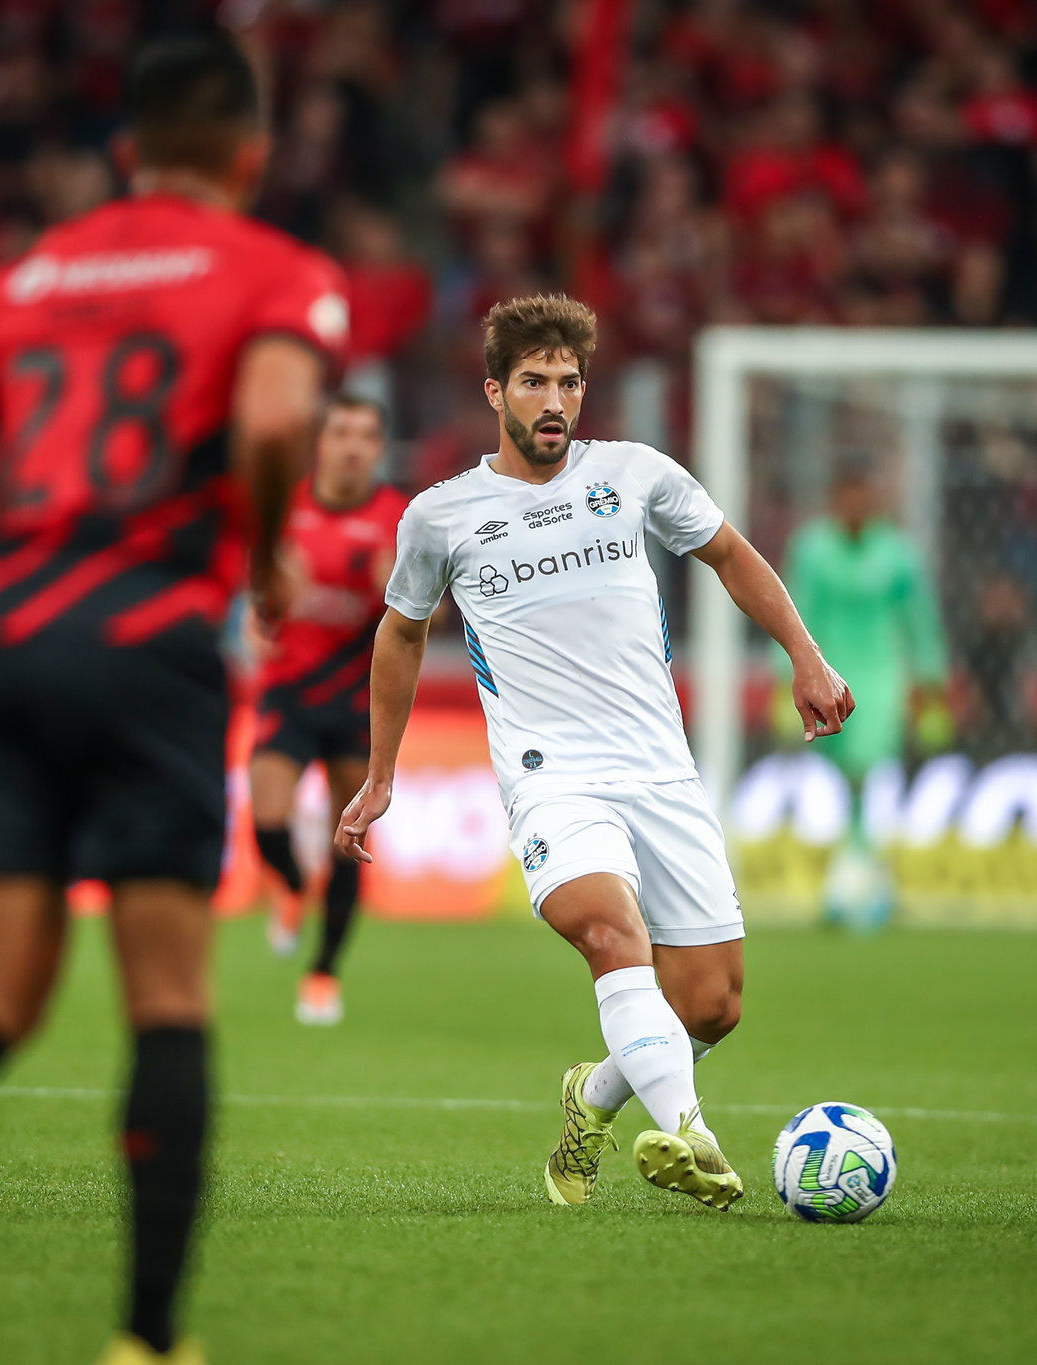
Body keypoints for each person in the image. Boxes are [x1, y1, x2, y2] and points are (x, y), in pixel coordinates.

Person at [0, 33, 346, 1365]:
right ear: (252, 158)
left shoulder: (27, 276)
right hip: (146, 642)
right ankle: (148, 1341)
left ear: (125, 154)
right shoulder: (277, 272)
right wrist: (266, 552)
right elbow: (275, 422)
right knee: (166, 999)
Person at [335, 295, 853, 1211]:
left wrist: (805, 657)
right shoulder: (443, 515)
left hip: (660, 768)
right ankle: (692, 1137)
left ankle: (595, 1093)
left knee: (712, 1004)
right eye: (534, 381)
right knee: (612, 934)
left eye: (569, 382)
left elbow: (732, 554)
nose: (554, 401)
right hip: (552, 779)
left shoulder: (636, 473)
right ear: (496, 390)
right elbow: (400, 635)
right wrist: (382, 772)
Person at [249, 392, 405, 1025]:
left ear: (379, 448)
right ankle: (289, 887)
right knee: (265, 820)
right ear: (321, 443)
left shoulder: (399, 518)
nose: (352, 446)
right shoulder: (285, 509)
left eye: (365, 435)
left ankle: (322, 974)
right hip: (288, 689)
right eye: (340, 432)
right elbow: (259, 602)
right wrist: (266, 599)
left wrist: (394, 592)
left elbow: (432, 614)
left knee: (350, 840)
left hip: (356, 697)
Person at [774, 456, 949, 927]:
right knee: (844, 776)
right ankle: (866, 869)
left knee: (864, 768)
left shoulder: (897, 553)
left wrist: (930, 681)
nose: (854, 506)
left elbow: (920, 620)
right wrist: (782, 675)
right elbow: (793, 609)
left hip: (880, 674)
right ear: (836, 501)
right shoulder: (812, 549)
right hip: (825, 669)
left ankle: (854, 875)